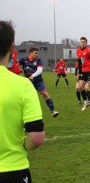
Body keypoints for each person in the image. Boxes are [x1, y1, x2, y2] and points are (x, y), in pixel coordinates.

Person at [0, 20, 45, 183]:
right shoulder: (23, 85)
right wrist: (23, 146)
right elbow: (36, 137)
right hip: (12, 170)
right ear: (12, 47)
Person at [19, 47, 59, 117]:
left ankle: (53, 111)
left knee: (45, 94)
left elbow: (40, 70)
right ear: (30, 53)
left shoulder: (38, 60)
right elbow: (14, 65)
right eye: (35, 53)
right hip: (28, 82)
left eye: (38, 53)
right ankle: (27, 116)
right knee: (27, 99)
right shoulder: (23, 60)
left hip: (38, 80)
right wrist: (18, 69)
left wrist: (32, 76)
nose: (37, 55)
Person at [76, 37, 90, 111]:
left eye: (84, 42)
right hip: (83, 72)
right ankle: (85, 102)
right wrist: (79, 73)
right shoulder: (78, 51)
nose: (82, 43)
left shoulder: (89, 51)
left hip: (89, 71)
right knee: (80, 88)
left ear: (86, 43)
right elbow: (79, 62)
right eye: (81, 42)